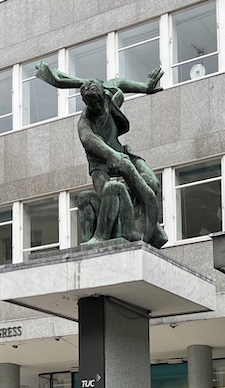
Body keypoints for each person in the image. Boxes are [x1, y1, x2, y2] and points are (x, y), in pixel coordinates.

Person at [35, 62, 168, 248]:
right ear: (86, 103)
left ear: (103, 95)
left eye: (98, 101)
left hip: (121, 153)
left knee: (152, 183)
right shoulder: (85, 123)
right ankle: (101, 235)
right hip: (99, 164)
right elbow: (89, 140)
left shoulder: (109, 97)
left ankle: (137, 223)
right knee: (111, 190)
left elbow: (120, 83)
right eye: (91, 104)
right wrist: (110, 155)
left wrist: (145, 87)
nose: (96, 106)